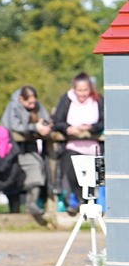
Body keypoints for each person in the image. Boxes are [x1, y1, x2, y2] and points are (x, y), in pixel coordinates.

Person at [52, 73, 104, 215]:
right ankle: (77, 202)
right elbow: (57, 121)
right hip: (72, 147)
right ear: (74, 89)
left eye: (85, 90)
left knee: (94, 180)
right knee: (73, 175)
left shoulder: (98, 100)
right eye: (79, 90)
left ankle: (90, 204)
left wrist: (91, 128)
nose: (82, 94)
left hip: (94, 148)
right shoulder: (66, 99)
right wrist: (68, 128)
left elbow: (104, 120)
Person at [0, 85, 53, 212]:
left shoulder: (37, 106)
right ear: (21, 99)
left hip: (29, 147)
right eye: (29, 102)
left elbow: (46, 119)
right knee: (13, 178)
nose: (32, 105)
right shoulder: (13, 107)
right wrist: (35, 128)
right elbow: (15, 126)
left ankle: (32, 203)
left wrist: (46, 126)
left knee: (36, 168)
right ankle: (14, 211)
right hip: (11, 148)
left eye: (34, 102)